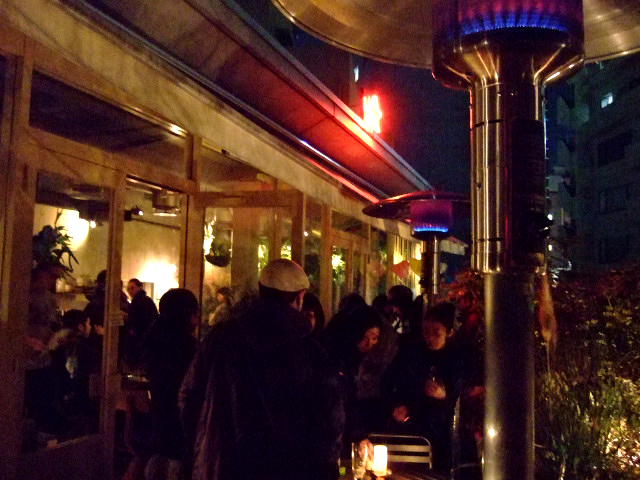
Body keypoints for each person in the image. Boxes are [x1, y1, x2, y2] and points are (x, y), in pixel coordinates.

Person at [179, 259, 344, 480]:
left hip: (227, 466)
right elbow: (330, 421)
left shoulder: (221, 338)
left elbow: (189, 396)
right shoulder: (310, 351)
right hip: (293, 470)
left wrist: (203, 447)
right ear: (300, 297)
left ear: (261, 290)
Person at [383, 302, 462, 474]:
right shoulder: (411, 351)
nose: (430, 338)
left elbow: (458, 395)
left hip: (439, 433)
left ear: (449, 333)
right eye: (426, 332)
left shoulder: (455, 359)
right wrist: (394, 406)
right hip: (407, 426)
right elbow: (388, 380)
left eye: (436, 333)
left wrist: (444, 395)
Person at [142, 288, 199, 480]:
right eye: (195, 314)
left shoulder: (154, 340)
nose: (197, 320)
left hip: (158, 430)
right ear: (187, 315)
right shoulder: (187, 347)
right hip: (181, 434)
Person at [321, 304, 383, 454]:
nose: (369, 344)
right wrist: (358, 434)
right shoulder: (337, 357)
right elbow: (345, 398)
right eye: (365, 338)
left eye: (374, 338)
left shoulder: (356, 357)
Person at [125, 278, 158, 371]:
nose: (130, 291)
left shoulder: (140, 302)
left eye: (132, 288)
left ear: (139, 287)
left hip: (141, 339)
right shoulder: (143, 301)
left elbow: (140, 320)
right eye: (128, 289)